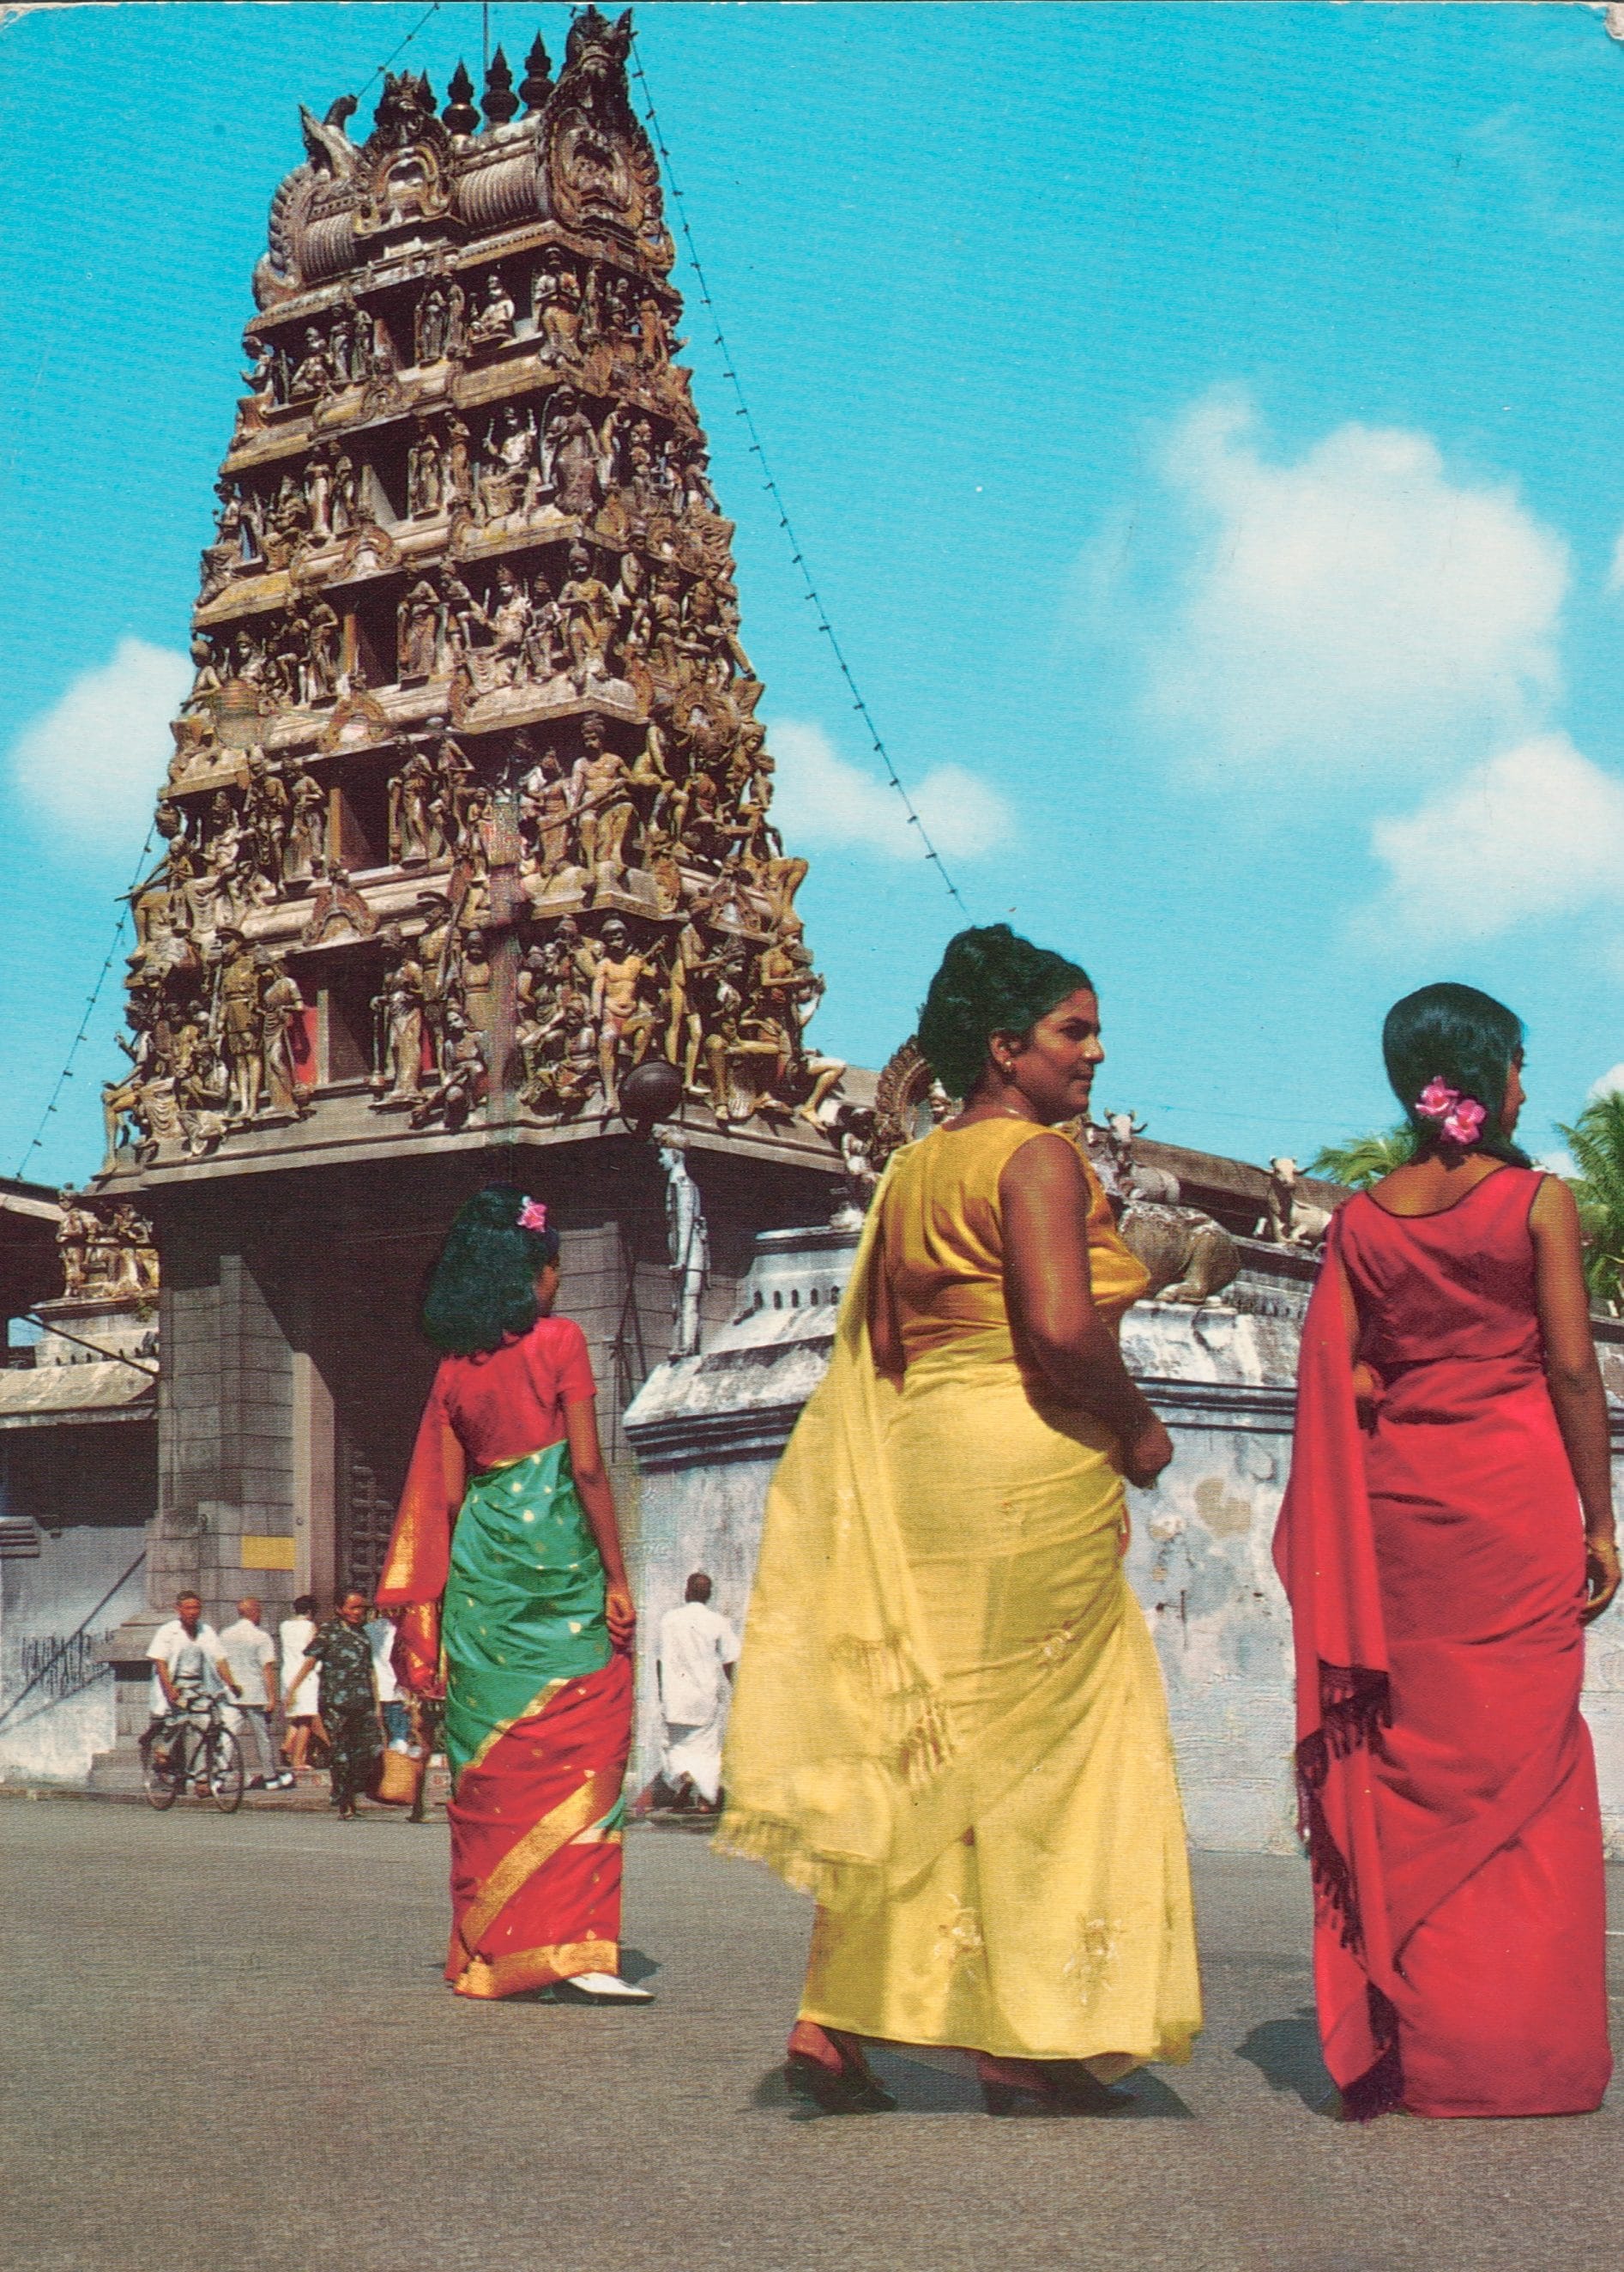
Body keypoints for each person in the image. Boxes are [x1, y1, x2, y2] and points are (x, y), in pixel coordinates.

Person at [719, 925, 1202, 2115]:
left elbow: (882, 1344)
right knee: (1047, 1758)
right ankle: (1025, 2041)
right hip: (1025, 1457)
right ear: (1005, 1049)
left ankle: (835, 2024)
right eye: (1072, 1032)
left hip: (927, 1460)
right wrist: (1136, 1433)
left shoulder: (911, 1172)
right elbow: (1058, 1327)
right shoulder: (1036, 1161)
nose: (1093, 1054)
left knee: (922, 1738)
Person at [1274, 982, 1618, 2121]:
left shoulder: (1364, 1220)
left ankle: (1426, 2048)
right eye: (1517, 1061)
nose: (1526, 1081)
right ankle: (1522, 2058)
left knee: (1419, 1766)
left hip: (1404, 1521)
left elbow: (1343, 1373)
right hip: (1513, 1511)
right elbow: (1573, 1371)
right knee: (1526, 1769)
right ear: (1482, 1076)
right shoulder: (1536, 1204)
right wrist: (1601, 1518)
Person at [376, 1186, 649, 2002]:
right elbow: (591, 1468)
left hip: (485, 1580)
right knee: (585, 1746)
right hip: (557, 1561)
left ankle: (492, 1951)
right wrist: (617, 1574)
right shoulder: (560, 1342)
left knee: (492, 1765)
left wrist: (457, 1591)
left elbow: (450, 1500)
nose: (556, 1281)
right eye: (549, 1267)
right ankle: (577, 1950)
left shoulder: (454, 1370)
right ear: (526, 1275)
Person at [285, 1592, 382, 1820]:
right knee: (341, 1755)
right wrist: (293, 1689)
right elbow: (310, 1661)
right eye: (354, 1607)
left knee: (368, 1752)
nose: (359, 1612)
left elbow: (370, 1670)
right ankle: (345, 1802)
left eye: (362, 1608)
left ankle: (350, 1794)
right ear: (340, 1609)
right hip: (335, 1704)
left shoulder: (363, 1635)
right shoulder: (328, 1632)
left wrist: (377, 1704)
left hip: (363, 1702)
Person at [655, 1573, 739, 1810]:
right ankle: (704, 1798)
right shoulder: (718, 1622)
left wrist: (662, 1691)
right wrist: (737, 1690)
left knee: (674, 1746)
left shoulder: (668, 1620)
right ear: (709, 1595)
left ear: (687, 1592)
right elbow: (730, 1659)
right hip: (704, 1697)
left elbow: (660, 1660)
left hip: (675, 1696)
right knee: (707, 1748)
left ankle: (684, 1775)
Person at [145, 1592, 242, 1783]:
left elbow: (220, 1659)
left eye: (196, 1608)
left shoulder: (206, 1630)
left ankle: (202, 1777)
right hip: (175, 1682)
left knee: (204, 1725)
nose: (193, 1612)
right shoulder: (168, 1631)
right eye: (188, 1608)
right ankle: (162, 1749)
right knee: (179, 1719)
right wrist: (169, 1689)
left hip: (199, 1684)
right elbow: (160, 1662)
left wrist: (231, 1682)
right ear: (178, 1609)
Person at [218, 1595, 292, 1791]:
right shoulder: (261, 1637)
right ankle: (270, 1776)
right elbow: (266, 1669)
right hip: (255, 1694)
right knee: (263, 1737)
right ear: (255, 1612)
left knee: (227, 1736)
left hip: (232, 1694)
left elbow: (220, 1663)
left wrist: (229, 1684)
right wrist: (272, 1697)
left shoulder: (225, 1634)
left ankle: (220, 1777)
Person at [279, 1594, 320, 1776]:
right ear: (310, 1611)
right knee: (307, 1718)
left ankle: (287, 1745)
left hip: (287, 1672)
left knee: (297, 1714)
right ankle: (298, 1759)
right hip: (305, 1674)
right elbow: (312, 1652)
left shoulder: (284, 1626)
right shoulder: (310, 1627)